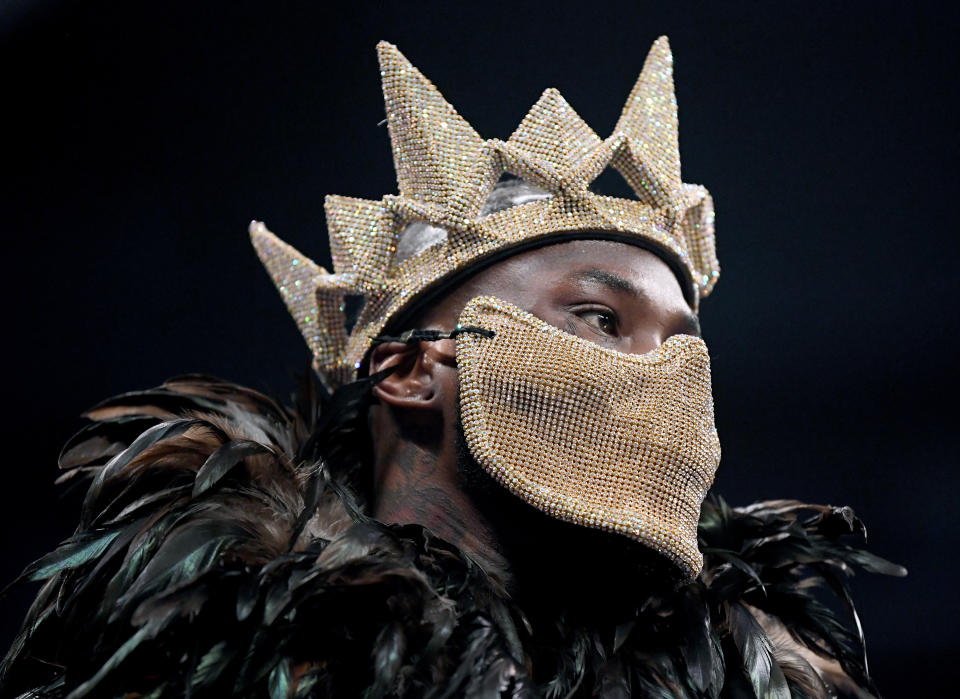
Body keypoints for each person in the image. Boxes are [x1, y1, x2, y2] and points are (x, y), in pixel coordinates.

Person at [1, 38, 904, 698]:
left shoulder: (755, 681)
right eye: (601, 317)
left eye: (684, 345)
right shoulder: (194, 662)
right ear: (409, 371)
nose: (666, 378)